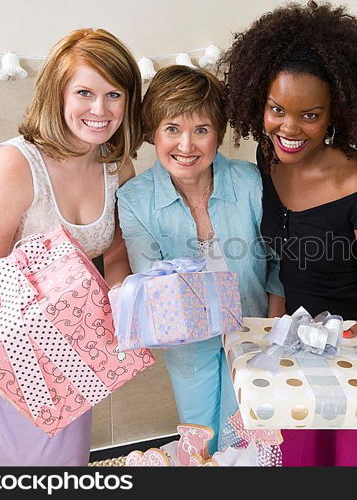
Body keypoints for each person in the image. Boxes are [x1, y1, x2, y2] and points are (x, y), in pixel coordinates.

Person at [220, 1, 357, 466]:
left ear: (334, 116)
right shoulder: (266, 165)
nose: (289, 127)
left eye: (310, 115)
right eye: (277, 109)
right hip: (298, 341)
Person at [0, 28, 142, 466]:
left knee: (61, 465)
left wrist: (122, 321)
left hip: (62, 341)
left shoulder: (116, 163)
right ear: (58, 94)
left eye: (114, 95)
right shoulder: (14, 164)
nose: (99, 109)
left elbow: (117, 256)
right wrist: (15, 372)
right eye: (85, 92)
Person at [116, 65, 284, 454]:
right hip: (187, 340)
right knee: (199, 439)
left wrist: (271, 328)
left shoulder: (251, 182)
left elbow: (278, 260)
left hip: (255, 329)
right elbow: (151, 279)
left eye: (201, 130)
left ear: (218, 134)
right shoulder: (136, 199)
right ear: (152, 132)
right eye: (172, 128)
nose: (186, 145)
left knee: (244, 436)